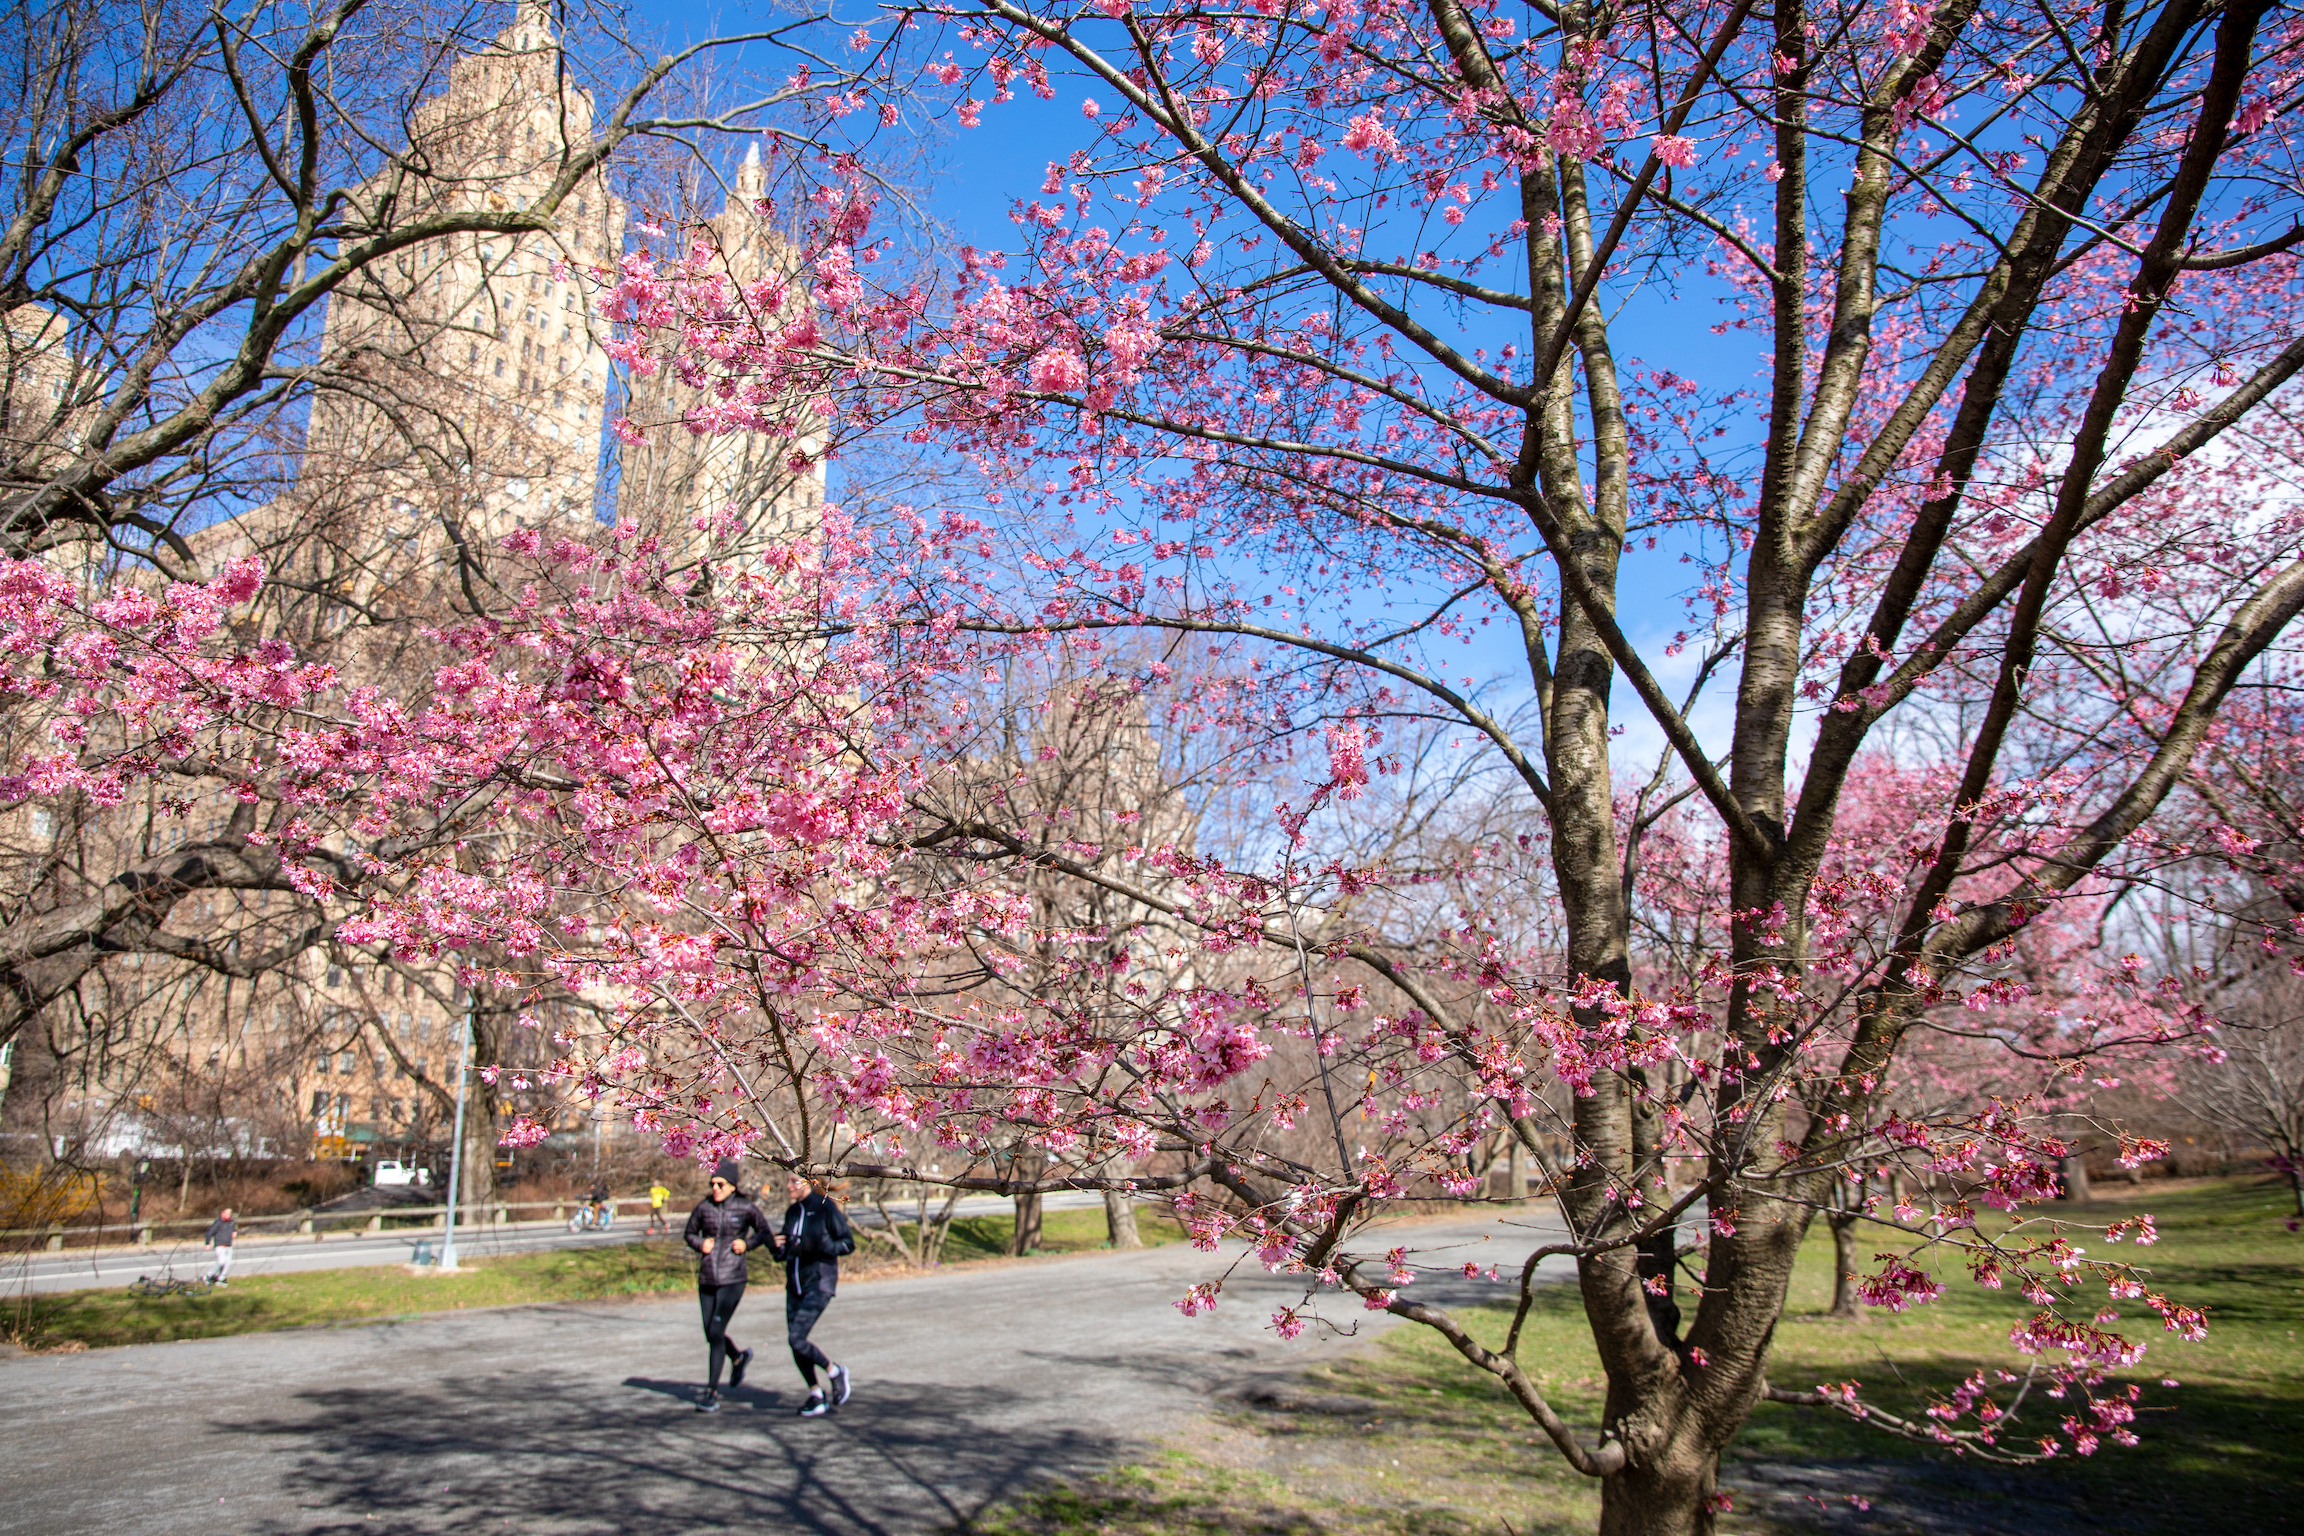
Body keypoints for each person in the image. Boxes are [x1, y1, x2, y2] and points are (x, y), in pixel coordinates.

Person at [682, 1159, 771, 1413]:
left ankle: (711, 1392)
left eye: (720, 1184)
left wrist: (747, 1244)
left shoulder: (745, 1207)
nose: (715, 1188)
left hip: (733, 1278)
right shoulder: (704, 1208)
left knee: (717, 1330)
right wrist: (701, 1245)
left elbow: (764, 1231)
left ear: (732, 1185)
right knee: (711, 1332)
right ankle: (738, 1357)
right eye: (712, 1184)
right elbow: (689, 1234)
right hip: (708, 1277)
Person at [773, 1171, 856, 1418]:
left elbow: (847, 1243)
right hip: (794, 1286)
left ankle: (834, 1371)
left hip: (819, 1283)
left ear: (807, 1182)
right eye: (786, 1180)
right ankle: (816, 1394)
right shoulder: (792, 1212)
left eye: (792, 1181)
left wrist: (821, 1246)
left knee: (797, 1339)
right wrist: (778, 1248)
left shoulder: (824, 1208)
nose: (787, 1186)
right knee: (796, 1343)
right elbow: (788, 1249)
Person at [202, 1207, 235, 1286]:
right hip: (220, 1245)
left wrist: (234, 1232)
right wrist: (207, 1243)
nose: (228, 1215)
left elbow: (233, 1229)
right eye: (227, 1213)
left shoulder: (231, 1222)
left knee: (227, 1262)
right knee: (221, 1261)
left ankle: (221, 1278)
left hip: (228, 1245)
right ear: (222, 1214)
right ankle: (208, 1275)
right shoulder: (218, 1222)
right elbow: (210, 1232)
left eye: (230, 1214)